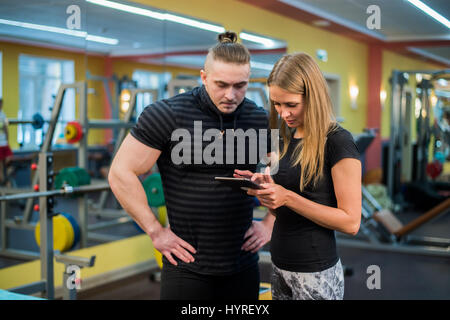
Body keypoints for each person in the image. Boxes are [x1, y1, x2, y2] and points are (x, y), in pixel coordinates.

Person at [108, 31, 275, 300]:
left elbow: (289, 173)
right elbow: (120, 173)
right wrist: (155, 231)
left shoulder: (258, 118)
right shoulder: (167, 114)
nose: (231, 95)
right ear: (204, 76)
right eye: (221, 84)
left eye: (240, 86)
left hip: (243, 264)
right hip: (186, 267)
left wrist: (269, 224)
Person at [235, 52, 361, 300]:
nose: (283, 113)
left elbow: (351, 222)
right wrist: (267, 191)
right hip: (281, 264)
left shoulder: (338, 141)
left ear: (312, 97)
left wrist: (288, 197)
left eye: (290, 105)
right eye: (277, 104)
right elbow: (283, 207)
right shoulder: (287, 137)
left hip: (316, 271)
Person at [0, 98, 13, 185]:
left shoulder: (3, 115)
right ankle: (3, 182)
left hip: (4, 143)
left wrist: (8, 141)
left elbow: (6, 129)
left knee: (9, 161)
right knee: (0, 167)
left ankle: (7, 181)